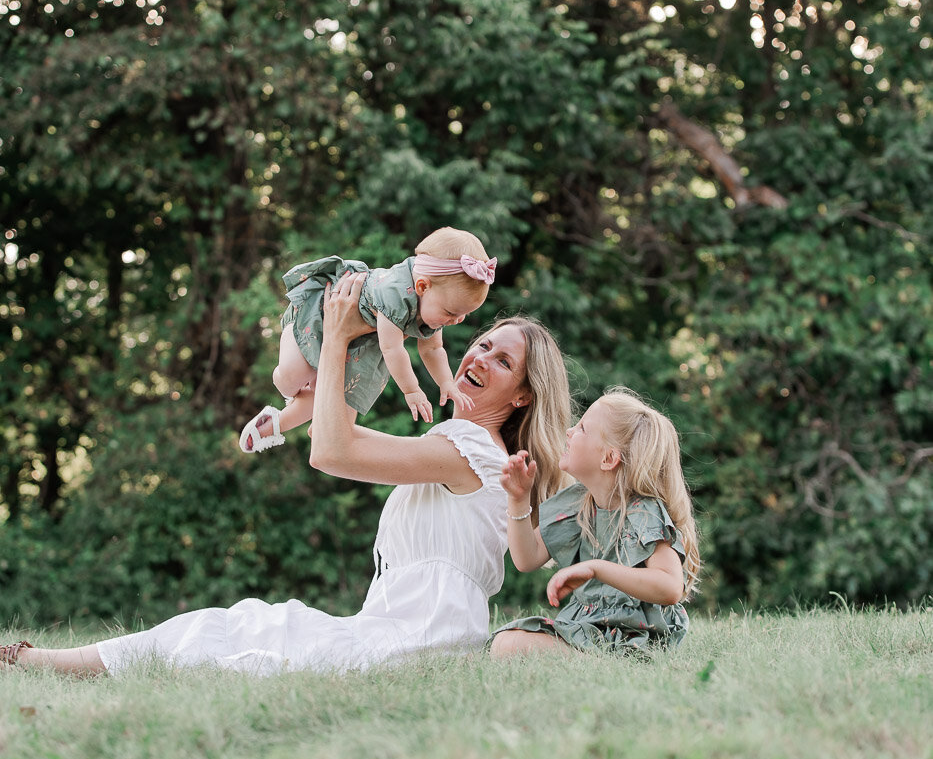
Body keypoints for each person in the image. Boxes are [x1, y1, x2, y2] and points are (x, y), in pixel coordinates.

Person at [2, 278, 571, 677]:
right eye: (483, 344)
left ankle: (47, 663)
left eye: (502, 362)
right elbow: (338, 436)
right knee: (250, 625)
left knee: (250, 634)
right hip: (420, 629)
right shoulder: (470, 451)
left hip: (417, 636)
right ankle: (53, 662)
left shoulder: (470, 447)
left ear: (522, 396)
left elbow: (332, 449)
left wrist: (340, 337)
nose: (479, 358)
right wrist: (302, 396)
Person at [239, 226, 497, 452]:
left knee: (335, 398)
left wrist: (446, 382)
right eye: (452, 312)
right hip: (323, 317)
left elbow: (433, 349)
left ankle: (274, 425)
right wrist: (412, 390)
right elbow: (393, 349)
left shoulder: (433, 304)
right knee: (290, 379)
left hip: (362, 344)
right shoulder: (394, 293)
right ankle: (286, 359)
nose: (457, 320)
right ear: (422, 287)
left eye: (464, 315)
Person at [489, 388, 700, 658]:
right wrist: (518, 500)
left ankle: (610, 659)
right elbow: (527, 558)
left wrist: (596, 568)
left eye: (582, 429)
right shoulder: (578, 503)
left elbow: (670, 588)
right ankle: (590, 656)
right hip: (592, 626)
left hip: (634, 633)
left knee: (511, 646)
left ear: (609, 459)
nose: (569, 431)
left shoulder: (644, 512)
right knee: (504, 642)